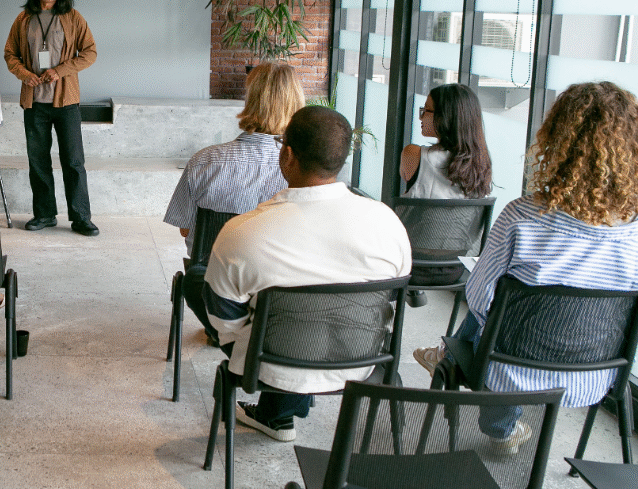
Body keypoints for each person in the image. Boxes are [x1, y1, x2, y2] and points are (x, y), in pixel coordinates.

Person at [413, 81, 638, 453]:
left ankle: (464, 376)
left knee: (492, 311)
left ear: (557, 142)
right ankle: (466, 378)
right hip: (595, 378)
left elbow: (479, 298)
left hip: (509, 371)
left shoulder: (523, 217)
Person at [203, 106, 411, 442]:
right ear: (342, 159)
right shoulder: (387, 223)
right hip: (363, 362)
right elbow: (393, 301)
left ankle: (279, 411)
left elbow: (223, 320)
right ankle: (280, 412)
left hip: (270, 366)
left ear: (286, 155)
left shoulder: (244, 232)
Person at [164, 62, 305, 344]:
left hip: (215, 285)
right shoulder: (305, 169)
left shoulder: (204, 161)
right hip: (282, 287)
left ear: (249, 100)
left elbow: (185, 230)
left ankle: (224, 331)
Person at [4, 0, 99, 236]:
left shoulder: (73, 17)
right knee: (38, 161)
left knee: (73, 161)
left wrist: (60, 70)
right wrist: (23, 74)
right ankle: (44, 215)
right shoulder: (23, 19)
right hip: (35, 103)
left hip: (65, 102)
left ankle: (81, 217)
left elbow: (89, 52)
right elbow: (10, 54)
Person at [398, 83, 492, 300]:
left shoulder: (413, 154)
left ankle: (410, 292)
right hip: (455, 268)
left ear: (446, 117)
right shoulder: (481, 165)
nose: (421, 117)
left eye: (426, 111)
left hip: (410, 266)